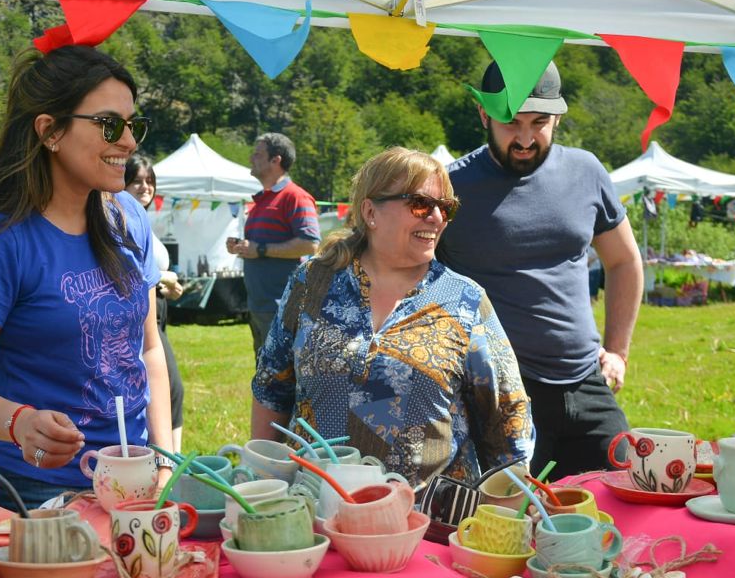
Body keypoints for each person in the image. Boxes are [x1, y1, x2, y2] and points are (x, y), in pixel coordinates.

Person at [0, 45, 174, 510]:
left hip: (135, 473)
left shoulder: (128, 217)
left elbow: (149, 348)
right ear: (50, 131)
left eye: (132, 125)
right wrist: (19, 422)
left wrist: (165, 460)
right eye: (109, 124)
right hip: (29, 489)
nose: (128, 142)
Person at [252, 147, 535, 491]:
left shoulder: (465, 300)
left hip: (425, 525)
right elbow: (271, 389)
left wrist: (514, 505)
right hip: (316, 514)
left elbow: (507, 417)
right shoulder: (312, 282)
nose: (435, 218)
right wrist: (265, 482)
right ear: (370, 211)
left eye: (445, 208)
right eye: (420, 204)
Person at [436, 60, 643, 481]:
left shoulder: (586, 171)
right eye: (511, 122)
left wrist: (618, 352)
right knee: (510, 523)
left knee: (624, 498)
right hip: (500, 391)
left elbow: (623, 261)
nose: (526, 139)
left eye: (540, 123)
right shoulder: (450, 188)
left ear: (558, 119)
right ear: (484, 116)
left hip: (587, 381)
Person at [226, 133, 320, 358]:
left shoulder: (295, 197)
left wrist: (259, 249)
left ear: (275, 161)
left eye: (257, 154)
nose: (251, 158)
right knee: (265, 376)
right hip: (260, 306)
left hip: (282, 308)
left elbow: (310, 244)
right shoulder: (263, 200)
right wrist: (242, 247)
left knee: (283, 378)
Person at [125, 154, 186, 452]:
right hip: (139, 319)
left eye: (149, 182)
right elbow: (128, 268)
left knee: (171, 390)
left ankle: (170, 459)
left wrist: (167, 287)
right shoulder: (120, 219)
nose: (145, 188)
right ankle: (167, 457)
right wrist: (165, 276)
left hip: (158, 315)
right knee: (169, 388)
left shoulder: (144, 221)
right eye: (136, 181)